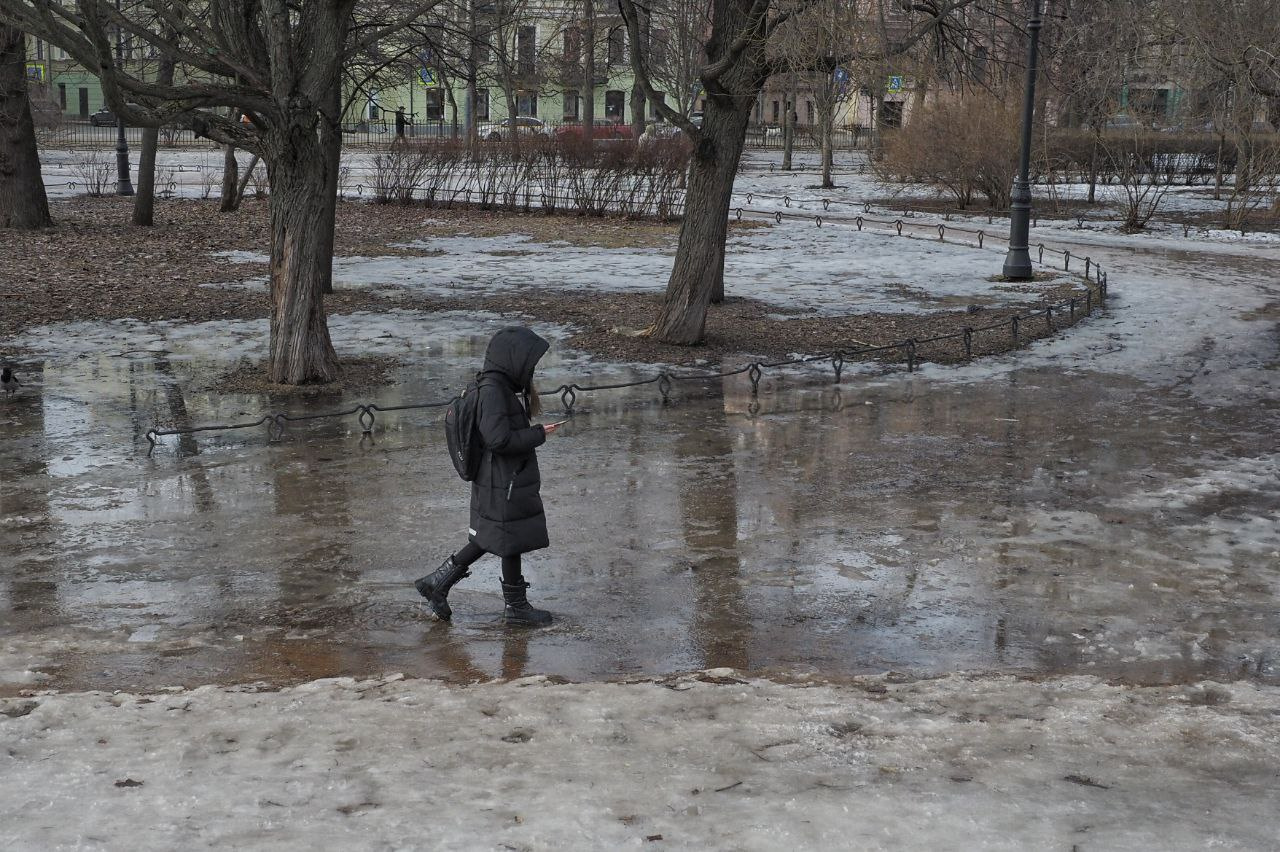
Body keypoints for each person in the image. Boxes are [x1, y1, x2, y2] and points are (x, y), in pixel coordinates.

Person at [415, 326, 562, 626]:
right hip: (501, 481)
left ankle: (437, 583)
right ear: (513, 360)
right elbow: (499, 439)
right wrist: (537, 434)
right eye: (529, 362)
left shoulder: (496, 387)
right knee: (508, 539)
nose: (531, 369)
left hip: (498, 479)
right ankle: (516, 608)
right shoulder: (494, 392)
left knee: (491, 537)